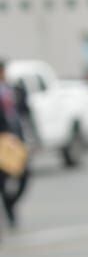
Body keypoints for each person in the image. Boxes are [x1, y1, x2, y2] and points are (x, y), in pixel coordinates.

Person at [0, 58, 32, 232]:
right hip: (2, 143)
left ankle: (10, 205)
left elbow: (24, 113)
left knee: (24, 175)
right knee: (2, 180)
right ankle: (8, 212)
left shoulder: (14, 90)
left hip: (17, 142)